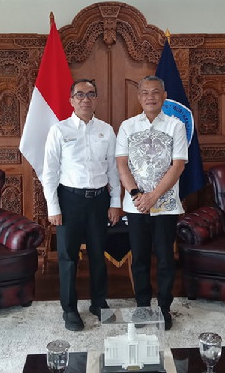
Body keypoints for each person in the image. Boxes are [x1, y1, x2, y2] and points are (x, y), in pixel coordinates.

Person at [42, 79, 121, 331]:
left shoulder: (106, 130)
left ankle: (99, 303)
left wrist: (115, 202)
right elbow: (49, 171)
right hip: (69, 200)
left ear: (96, 99)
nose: (85, 99)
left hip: (99, 200)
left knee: (98, 254)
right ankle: (69, 309)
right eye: (80, 95)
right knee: (67, 258)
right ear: (71, 100)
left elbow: (113, 169)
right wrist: (53, 207)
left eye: (90, 94)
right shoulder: (59, 130)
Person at [115, 75, 188, 330]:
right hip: (136, 206)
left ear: (164, 96)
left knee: (166, 258)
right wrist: (137, 195)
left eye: (155, 92)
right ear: (139, 97)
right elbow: (121, 164)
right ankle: (143, 307)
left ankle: (164, 307)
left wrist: (153, 196)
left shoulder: (176, 126)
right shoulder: (127, 126)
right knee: (140, 258)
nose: (150, 97)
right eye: (145, 92)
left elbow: (178, 166)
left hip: (165, 206)